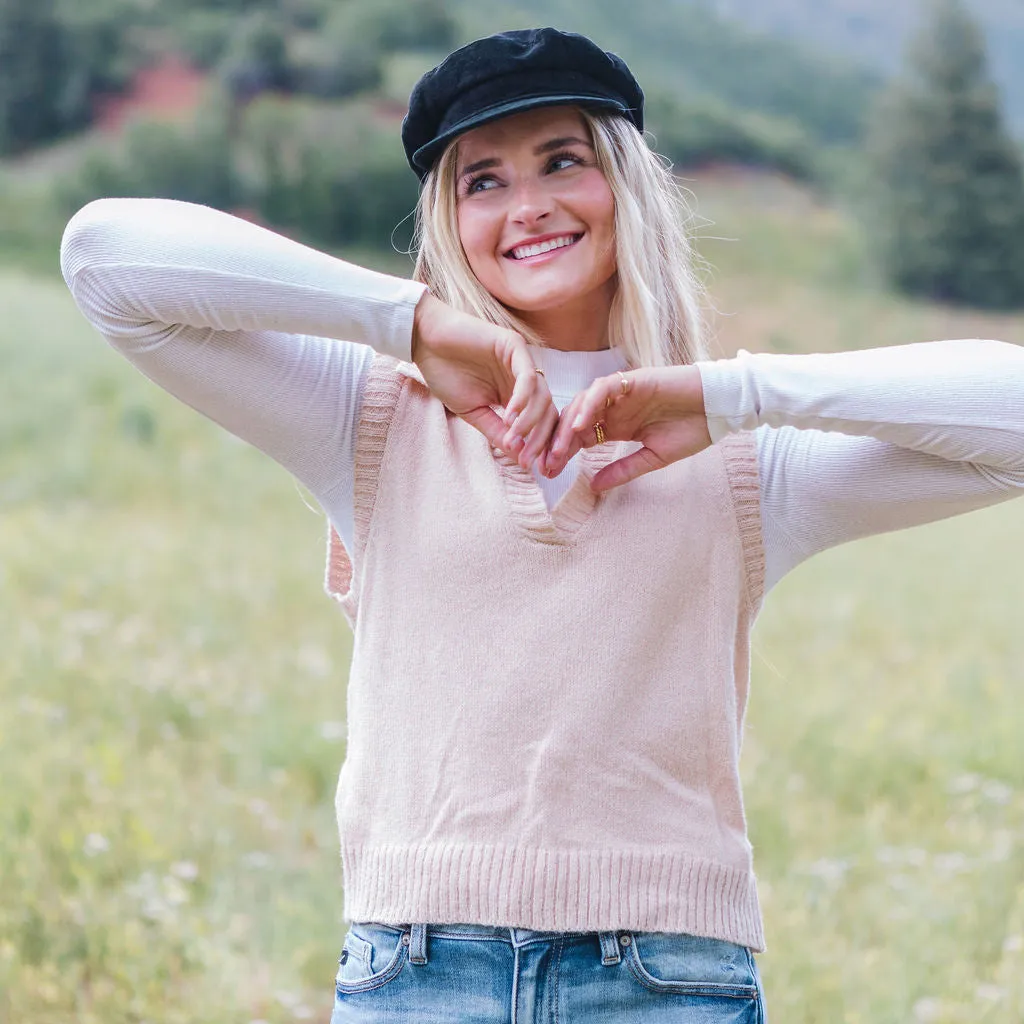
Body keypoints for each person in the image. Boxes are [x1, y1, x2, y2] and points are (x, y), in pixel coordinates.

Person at [59, 25, 1024, 1024]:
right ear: (452, 217)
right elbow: (104, 258)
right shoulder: (373, 416)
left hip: (665, 981)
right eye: (483, 180)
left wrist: (733, 392)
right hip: (415, 975)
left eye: (563, 161)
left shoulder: (742, 460)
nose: (528, 206)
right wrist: (410, 323)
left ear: (623, 188)